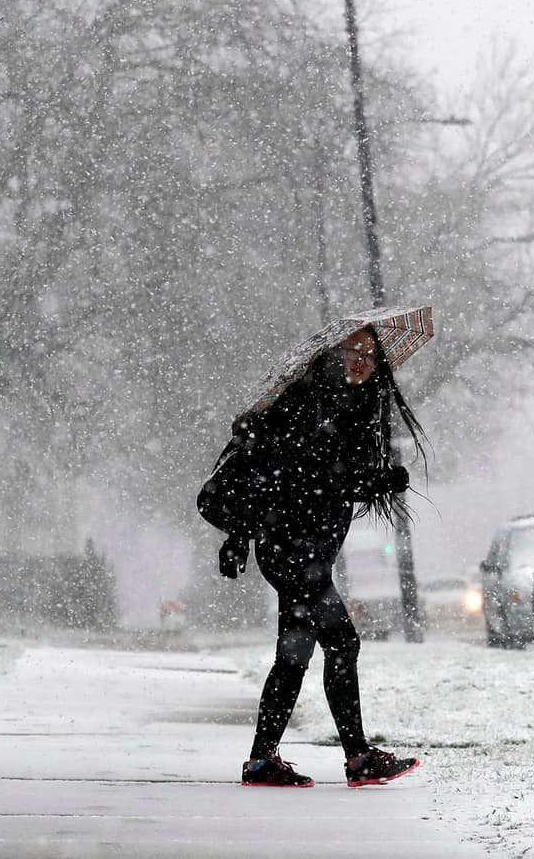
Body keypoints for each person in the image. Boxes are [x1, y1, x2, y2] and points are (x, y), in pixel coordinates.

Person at [211, 326, 428, 788]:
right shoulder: (306, 406)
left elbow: (334, 482)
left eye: (370, 355)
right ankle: (356, 758)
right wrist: (240, 534)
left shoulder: (348, 411)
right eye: (353, 350)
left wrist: (380, 480)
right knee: (341, 644)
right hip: (291, 548)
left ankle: (263, 761)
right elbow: (290, 477)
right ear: (333, 354)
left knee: (295, 655)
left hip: (308, 550)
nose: (361, 361)